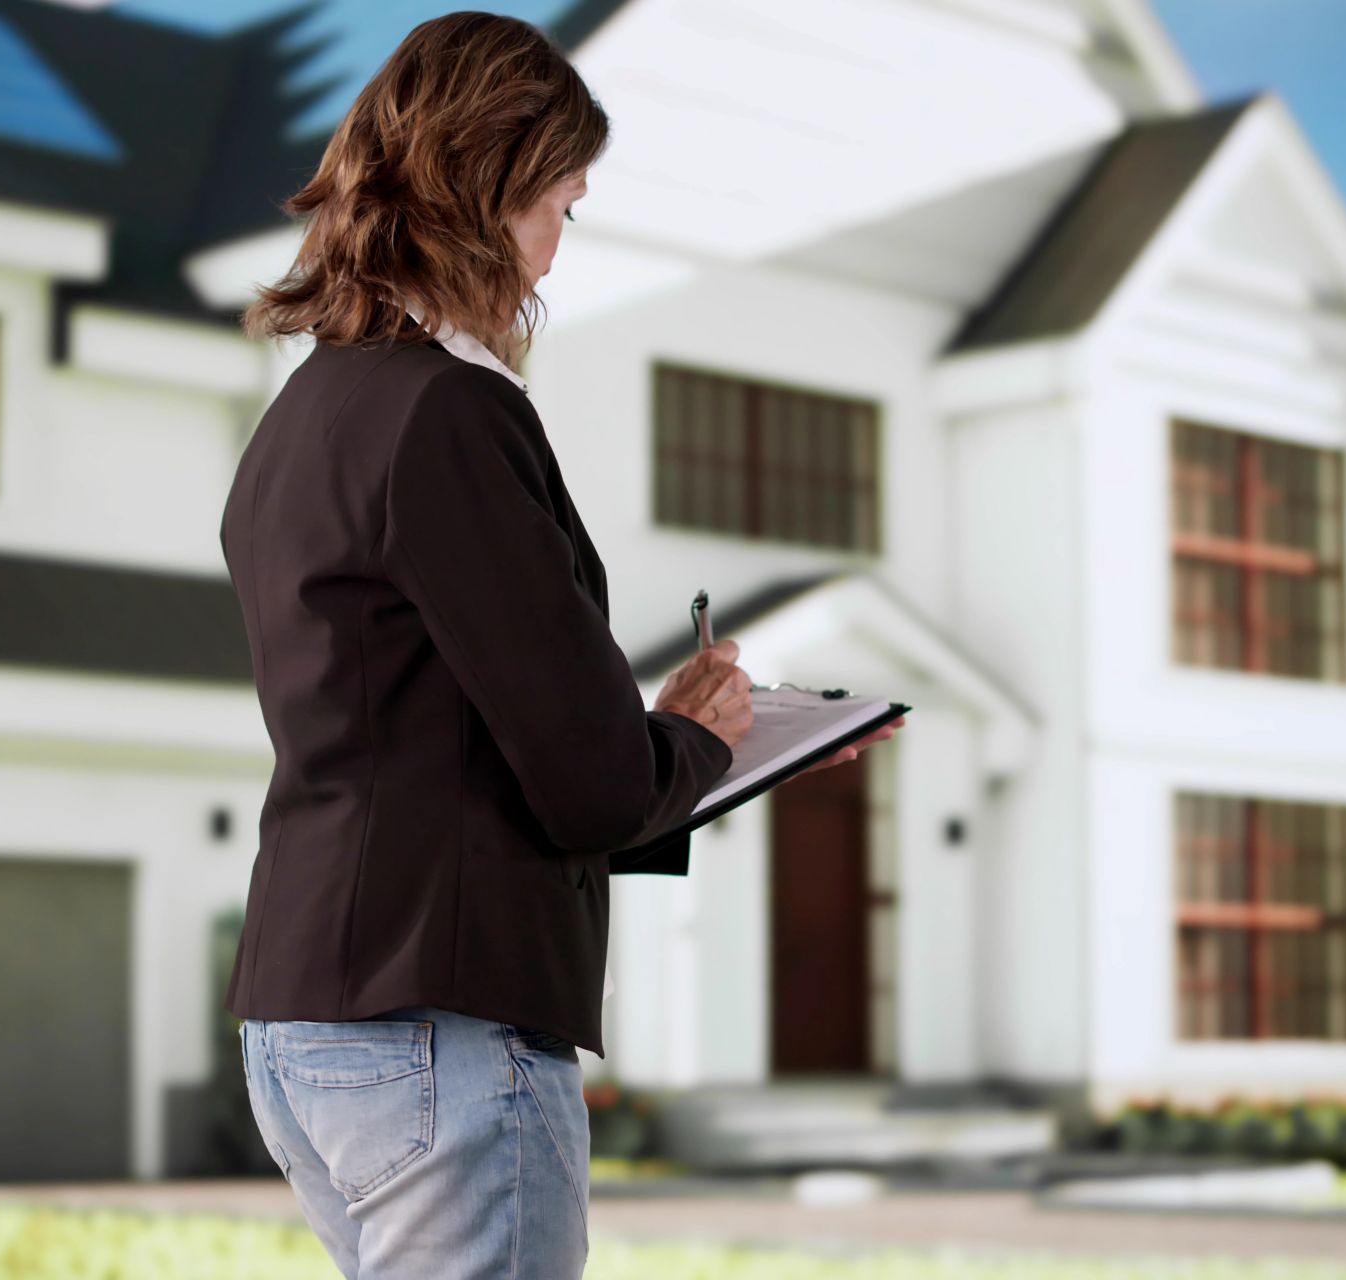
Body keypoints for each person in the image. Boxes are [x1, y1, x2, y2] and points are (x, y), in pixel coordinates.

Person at [218, 12, 902, 1277]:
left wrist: (686, 739)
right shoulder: (452, 412)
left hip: (309, 1018)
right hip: (442, 1027)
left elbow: (436, 729)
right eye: (559, 209)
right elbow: (587, 782)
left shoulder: (305, 418)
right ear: (487, 188)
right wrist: (698, 743)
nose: (551, 255)